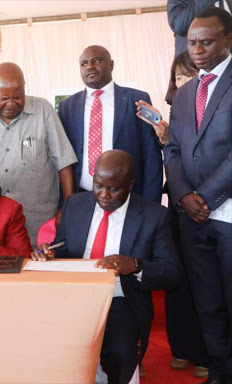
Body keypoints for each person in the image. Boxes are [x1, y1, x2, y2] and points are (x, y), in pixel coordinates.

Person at [32, 150, 181, 384]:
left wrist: (135, 265)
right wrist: (49, 253)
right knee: (46, 343)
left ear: (131, 184)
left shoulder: (154, 216)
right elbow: (64, 248)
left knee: (120, 350)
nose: (104, 195)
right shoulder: (75, 204)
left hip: (121, 299)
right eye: (98, 185)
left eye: (114, 188)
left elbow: (172, 273)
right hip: (74, 297)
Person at [164, 8, 232, 384]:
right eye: (192, 43)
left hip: (228, 214)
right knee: (207, 304)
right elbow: (172, 149)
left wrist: (204, 196)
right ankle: (219, 373)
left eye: (206, 42)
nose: (198, 50)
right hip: (192, 218)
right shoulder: (186, 90)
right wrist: (184, 196)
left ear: (228, 40)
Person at [137, 51, 209, 378]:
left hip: (212, 210)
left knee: (206, 286)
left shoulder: (217, 109)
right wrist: (164, 137)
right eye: (179, 77)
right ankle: (182, 349)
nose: (184, 82)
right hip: (179, 208)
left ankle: (208, 354)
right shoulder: (172, 115)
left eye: (190, 75)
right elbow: (170, 162)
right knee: (178, 281)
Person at [0, 63, 77, 245]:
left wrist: (67, 210)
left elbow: (65, 165)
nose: (11, 104)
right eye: (3, 98)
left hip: (37, 225)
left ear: (24, 87)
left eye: (17, 97)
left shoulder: (43, 111)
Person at [58, 45, 163, 206]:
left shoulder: (137, 99)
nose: (90, 66)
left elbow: (151, 155)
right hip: (82, 196)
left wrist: (152, 203)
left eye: (97, 60)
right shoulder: (67, 107)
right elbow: (62, 158)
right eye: (84, 63)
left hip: (129, 197)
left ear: (111, 64)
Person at [136, 51, 199, 146]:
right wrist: (165, 135)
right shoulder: (177, 108)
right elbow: (175, 147)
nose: (183, 83)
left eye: (188, 75)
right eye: (178, 78)